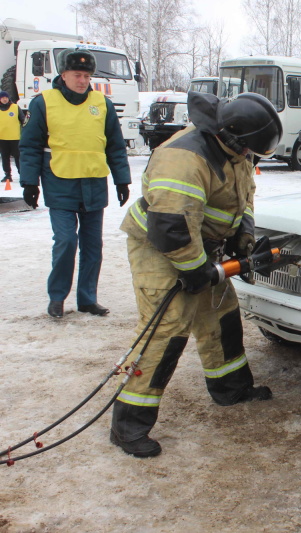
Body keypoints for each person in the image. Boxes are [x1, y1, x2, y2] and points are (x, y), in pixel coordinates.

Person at [110, 91, 283, 458]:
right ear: (232, 137)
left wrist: (242, 238)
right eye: (247, 151)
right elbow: (171, 227)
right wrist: (194, 271)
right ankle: (128, 426)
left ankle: (231, 389)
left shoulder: (236, 151)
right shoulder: (184, 158)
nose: (249, 158)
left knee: (220, 315)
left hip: (203, 246)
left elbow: (243, 198)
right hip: (161, 249)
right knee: (167, 329)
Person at [19, 48, 131, 318]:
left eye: (86, 75)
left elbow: (115, 145)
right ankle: (57, 298)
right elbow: (30, 146)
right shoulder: (44, 102)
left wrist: (122, 180)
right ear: (64, 74)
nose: (82, 80)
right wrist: (29, 182)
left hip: (93, 181)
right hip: (60, 182)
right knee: (66, 241)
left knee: (93, 246)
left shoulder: (101, 103)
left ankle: (87, 299)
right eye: (77, 75)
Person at [0, 90, 23, 182]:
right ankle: (7, 175)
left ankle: (22, 174)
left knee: (18, 157)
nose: (5, 99)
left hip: (15, 138)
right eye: (2, 98)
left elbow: (23, 120)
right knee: (5, 158)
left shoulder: (15, 107)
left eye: (6, 97)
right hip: (2, 138)